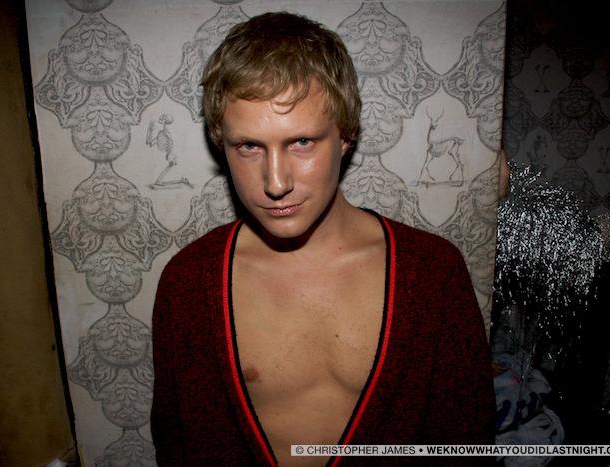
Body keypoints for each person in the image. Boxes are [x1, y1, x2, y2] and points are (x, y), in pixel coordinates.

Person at [151, 11, 495, 466]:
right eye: (249, 146)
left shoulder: (433, 274)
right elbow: (176, 446)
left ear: (346, 135)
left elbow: (466, 443)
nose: (275, 183)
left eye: (302, 142)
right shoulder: (188, 283)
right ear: (223, 145)